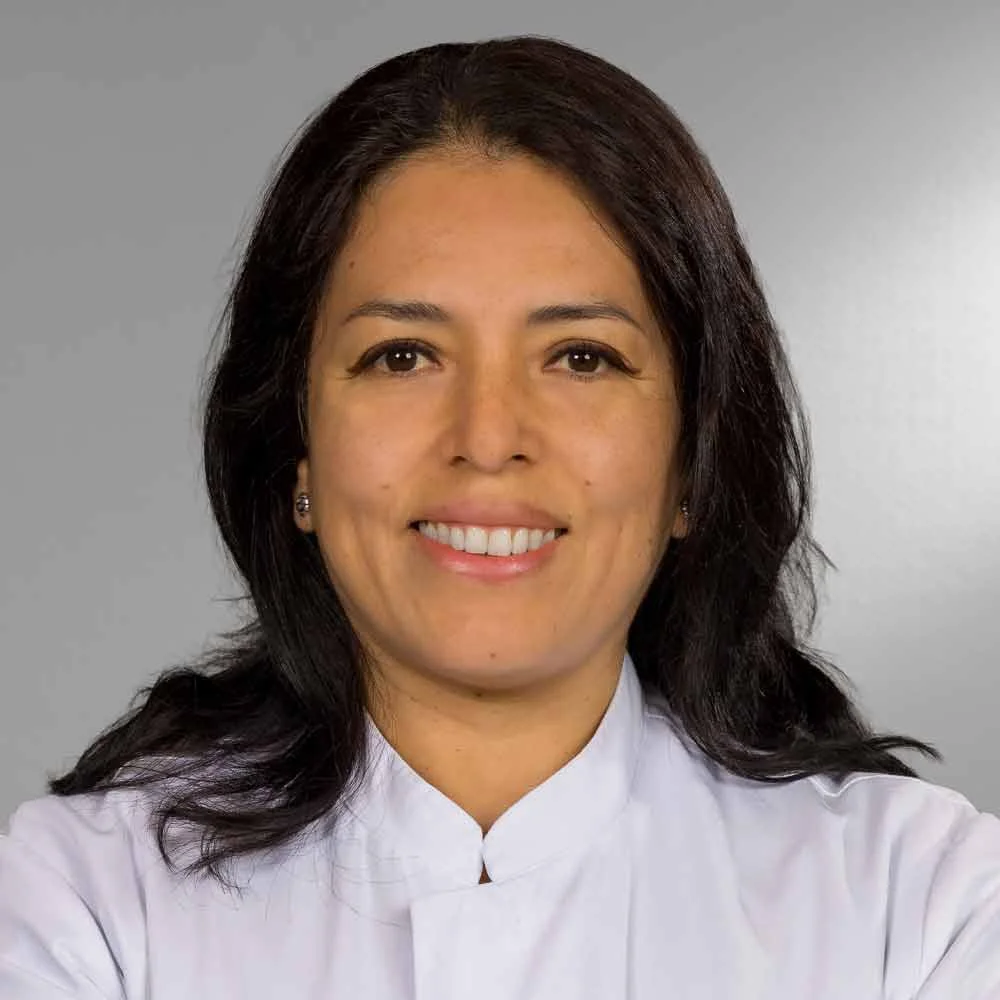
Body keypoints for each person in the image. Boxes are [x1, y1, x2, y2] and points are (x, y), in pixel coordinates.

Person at [1, 34, 997, 999]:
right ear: (294, 448)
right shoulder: (85, 904)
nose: (486, 437)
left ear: (691, 460)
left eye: (581, 358)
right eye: (401, 356)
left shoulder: (921, 905)